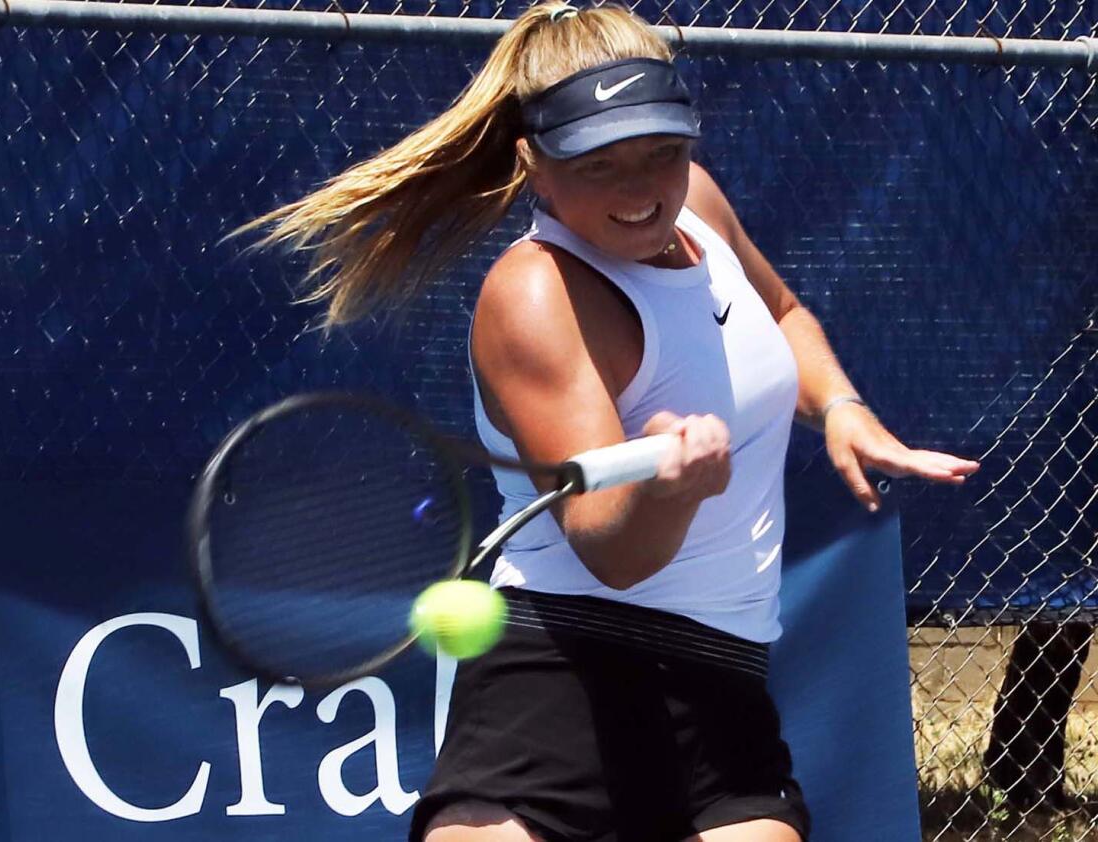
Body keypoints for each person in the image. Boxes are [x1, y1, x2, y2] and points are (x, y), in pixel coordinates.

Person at [233, 3, 980, 839]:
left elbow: (784, 311)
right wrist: (675, 490)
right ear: (535, 166)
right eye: (600, 163)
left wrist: (840, 406)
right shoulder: (534, 296)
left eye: (661, 152)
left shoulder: (697, 204)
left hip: (722, 689)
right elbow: (611, 550)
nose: (640, 190)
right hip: (555, 686)